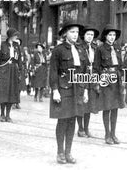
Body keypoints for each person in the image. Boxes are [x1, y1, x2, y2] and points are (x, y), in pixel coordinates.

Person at [49, 21, 88, 164]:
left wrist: (85, 91)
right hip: (63, 89)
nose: (75, 35)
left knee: (72, 121)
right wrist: (54, 90)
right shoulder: (58, 50)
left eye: (77, 32)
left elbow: (84, 72)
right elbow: (53, 71)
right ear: (65, 33)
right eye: (72, 32)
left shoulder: (81, 49)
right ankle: (60, 152)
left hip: (77, 89)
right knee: (63, 120)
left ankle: (68, 152)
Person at [94, 24, 124, 145]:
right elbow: (96, 67)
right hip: (106, 80)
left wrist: (121, 77)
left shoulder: (117, 48)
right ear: (105, 36)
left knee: (115, 108)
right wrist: (98, 82)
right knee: (107, 108)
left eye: (114, 35)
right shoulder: (100, 49)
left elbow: (120, 65)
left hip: (116, 80)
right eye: (110, 35)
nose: (112, 37)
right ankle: (107, 134)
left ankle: (113, 134)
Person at [76, 26, 99, 137]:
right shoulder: (79, 47)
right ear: (83, 35)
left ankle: (86, 128)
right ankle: (80, 128)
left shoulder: (95, 48)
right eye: (88, 34)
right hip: (82, 77)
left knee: (89, 105)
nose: (90, 37)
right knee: (82, 104)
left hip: (92, 79)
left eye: (92, 35)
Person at [0, 28, 22, 122]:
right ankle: (2, 114)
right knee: (4, 92)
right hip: (4, 70)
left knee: (11, 93)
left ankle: (8, 115)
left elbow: (19, 60)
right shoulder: (2, 45)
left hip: (14, 70)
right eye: (14, 35)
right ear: (10, 36)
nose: (16, 37)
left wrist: (21, 72)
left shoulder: (17, 45)